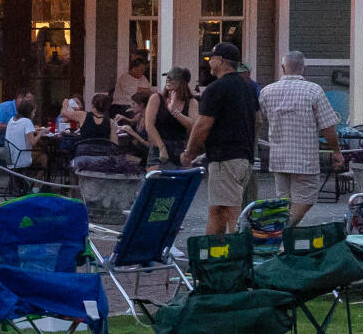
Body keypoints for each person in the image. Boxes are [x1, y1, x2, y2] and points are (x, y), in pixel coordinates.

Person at [257, 50, 345, 223]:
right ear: (303, 68)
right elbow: (328, 126)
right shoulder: (314, 91)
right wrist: (336, 151)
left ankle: (283, 240)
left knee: (284, 202)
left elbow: (263, 118)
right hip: (304, 158)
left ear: (283, 68)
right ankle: (281, 231)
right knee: (306, 200)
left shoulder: (267, 92)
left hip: (279, 157)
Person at [185, 41, 260, 235]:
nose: (209, 62)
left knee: (229, 210)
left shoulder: (216, 88)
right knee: (217, 210)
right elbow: (258, 120)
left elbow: (202, 125)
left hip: (224, 158)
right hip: (244, 157)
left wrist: (189, 152)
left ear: (221, 61)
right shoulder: (248, 87)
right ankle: (213, 257)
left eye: (211, 58)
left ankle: (240, 257)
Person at [144, 67, 197, 165]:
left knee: (183, 178)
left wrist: (174, 111)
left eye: (172, 77)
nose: (168, 79)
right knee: (156, 177)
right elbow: (149, 125)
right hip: (158, 147)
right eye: (168, 76)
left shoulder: (191, 102)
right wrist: (161, 147)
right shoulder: (157, 98)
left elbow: (193, 126)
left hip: (180, 148)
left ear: (183, 82)